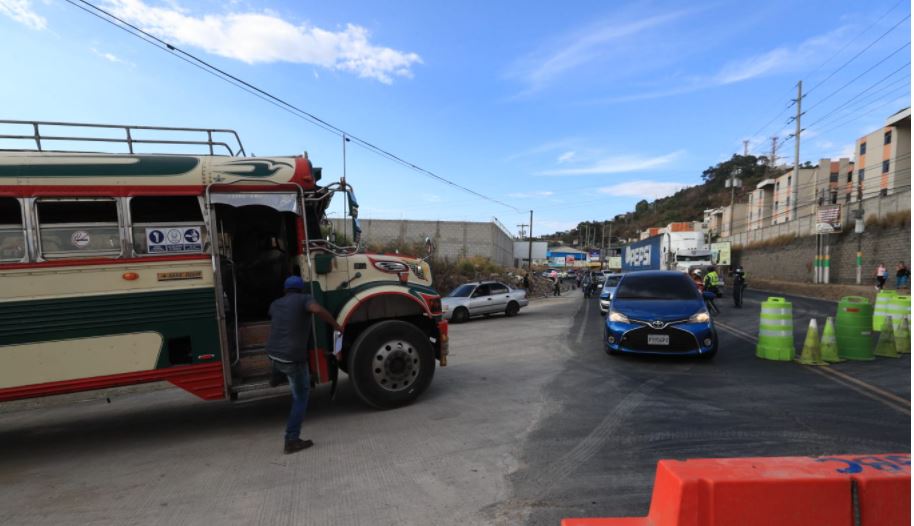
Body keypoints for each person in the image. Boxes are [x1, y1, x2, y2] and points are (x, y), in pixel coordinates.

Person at [266, 275, 342, 454]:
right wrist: (336, 325)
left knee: (278, 360)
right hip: (292, 358)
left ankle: (276, 376)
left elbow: (275, 316)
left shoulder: (275, 303)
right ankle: (291, 439)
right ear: (301, 289)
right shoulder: (305, 299)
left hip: (271, 353)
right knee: (301, 397)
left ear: (285, 290)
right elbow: (316, 309)